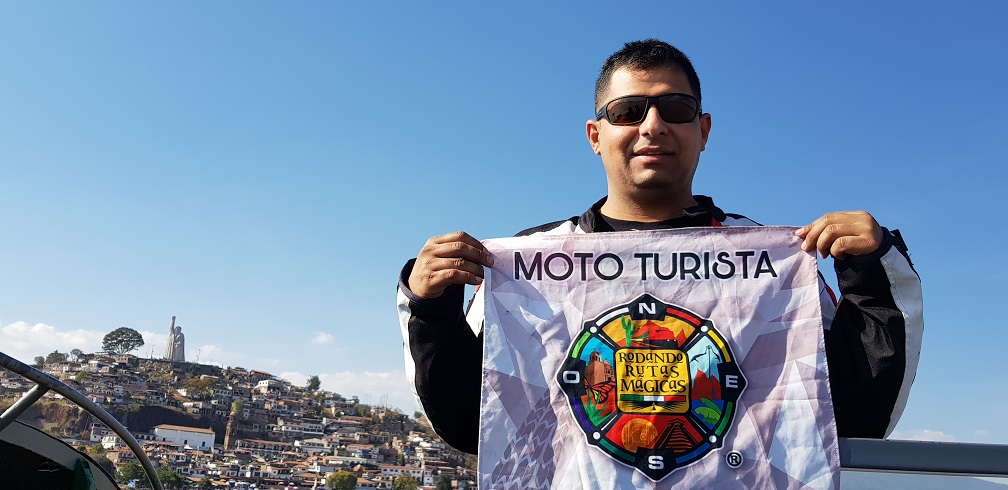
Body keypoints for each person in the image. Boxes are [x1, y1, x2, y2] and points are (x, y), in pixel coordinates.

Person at [396, 39, 923, 454]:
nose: (652, 126)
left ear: (703, 130)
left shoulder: (777, 267)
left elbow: (858, 416)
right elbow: (468, 423)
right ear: (595, 135)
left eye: (675, 108)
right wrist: (430, 308)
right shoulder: (526, 264)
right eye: (628, 110)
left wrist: (874, 272)